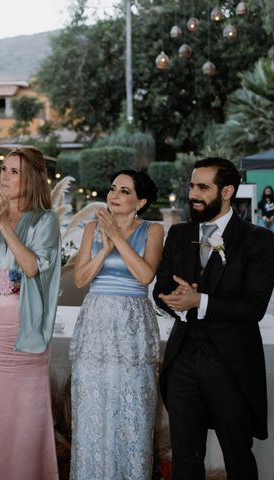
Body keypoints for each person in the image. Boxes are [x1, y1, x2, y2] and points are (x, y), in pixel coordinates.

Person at [153, 157, 274, 479]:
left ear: (227, 191)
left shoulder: (258, 240)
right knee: (185, 457)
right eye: (192, 185)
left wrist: (200, 301)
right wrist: (172, 300)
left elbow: (254, 307)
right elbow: (161, 289)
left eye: (202, 187)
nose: (193, 193)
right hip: (182, 363)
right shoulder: (179, 234)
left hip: (231, 364)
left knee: (237, 455)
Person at [0, 147, 61, 480]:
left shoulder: (46, 220)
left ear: (32, 178)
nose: (5, 177)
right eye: (4, 170)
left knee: (27, 418)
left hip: (26, 331)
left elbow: (33, 267)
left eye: (14, 171)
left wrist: (3, 225)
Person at [70, 170, 163, 480]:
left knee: (133, 408)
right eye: (113, 189)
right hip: (96, 322)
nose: (114, 195)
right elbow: (81, 279)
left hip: (132, 325)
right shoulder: (91, 229)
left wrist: (118, 238)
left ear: (141, 201)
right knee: (93, 408)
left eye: (124, 191)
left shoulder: (153, 230)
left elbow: (145, 275)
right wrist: (106, 247)